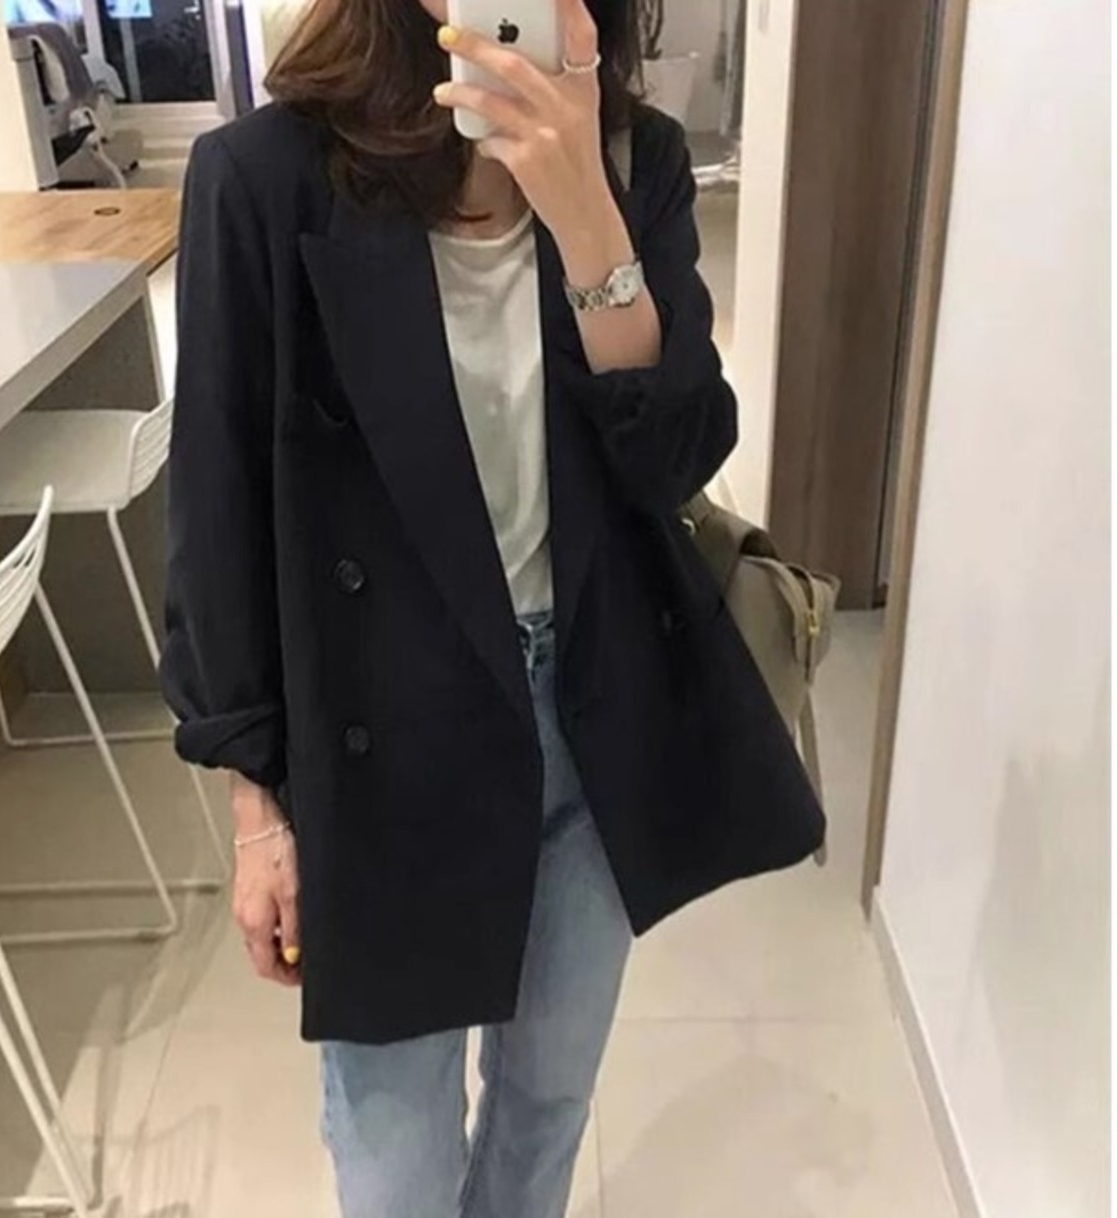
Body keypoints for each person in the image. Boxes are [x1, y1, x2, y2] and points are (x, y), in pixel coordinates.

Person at [160, 0, 825, 1214]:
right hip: (386, 729)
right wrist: (258, 813)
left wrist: (584, 217)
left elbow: (675, 457)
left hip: (595, 703)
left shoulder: (633, 157)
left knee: (544, 1103)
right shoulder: (263, 176)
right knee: (396, 1155)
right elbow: (217, 512)